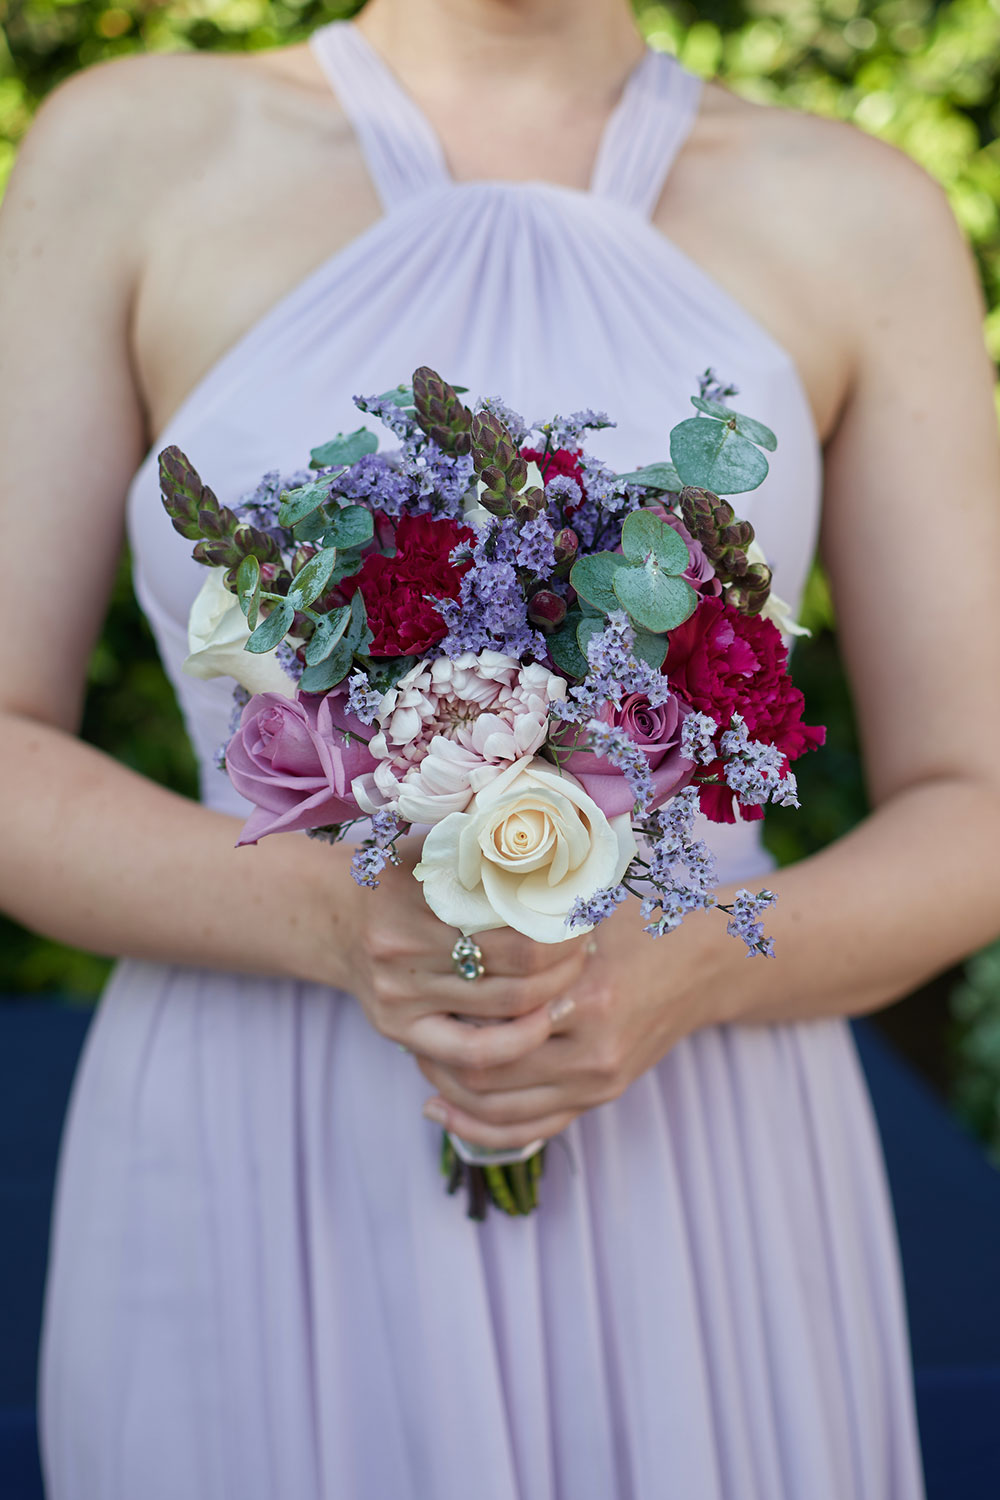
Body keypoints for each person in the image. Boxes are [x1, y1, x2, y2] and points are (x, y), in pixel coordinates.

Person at [2, 0, 999, 1494]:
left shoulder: (859, 210)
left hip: (697, 1138)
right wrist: (336, 922)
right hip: (259, 1136)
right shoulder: (129, 152)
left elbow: (976, 800)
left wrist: (694, 966)